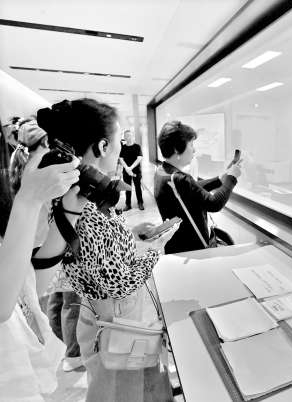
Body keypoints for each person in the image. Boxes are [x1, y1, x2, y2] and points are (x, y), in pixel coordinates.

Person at [34, 99, 177, 402]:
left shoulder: (83, 196)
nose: (121, 149)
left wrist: (132, 235)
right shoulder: (82, 207)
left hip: (116, 322)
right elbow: (117, 283)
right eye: (118, 142)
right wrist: (154, 249)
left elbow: (103, 250)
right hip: (116, 328)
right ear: (102, 146)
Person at [0, 120, 80, 401]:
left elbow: (25, 290)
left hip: (18, 373)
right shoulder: (27, 189)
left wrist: (71, 211)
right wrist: (30, 199)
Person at [154, 121, 241, 254]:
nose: (194, 150)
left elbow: (191, 189)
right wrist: (232, 178)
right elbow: (214, 204)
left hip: (176, 246)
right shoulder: (180, 178)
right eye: (191, 145)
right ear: (177, 149)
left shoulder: (162, 171)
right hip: (192, 250)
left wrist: (220, 179)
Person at [119, 129, 144, 210]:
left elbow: (139, 158)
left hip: (136, 171)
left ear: (132, 136)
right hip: (126, 171)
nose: (128, 137)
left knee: (138, 187)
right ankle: (128, 204)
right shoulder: (123, 147)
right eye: (126, 136)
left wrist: (130, 168)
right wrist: (127, 168)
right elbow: (121, 159)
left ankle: (140, 203)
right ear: (124, 137)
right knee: (127, 188)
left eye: (129, 135)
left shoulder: (137, 147)